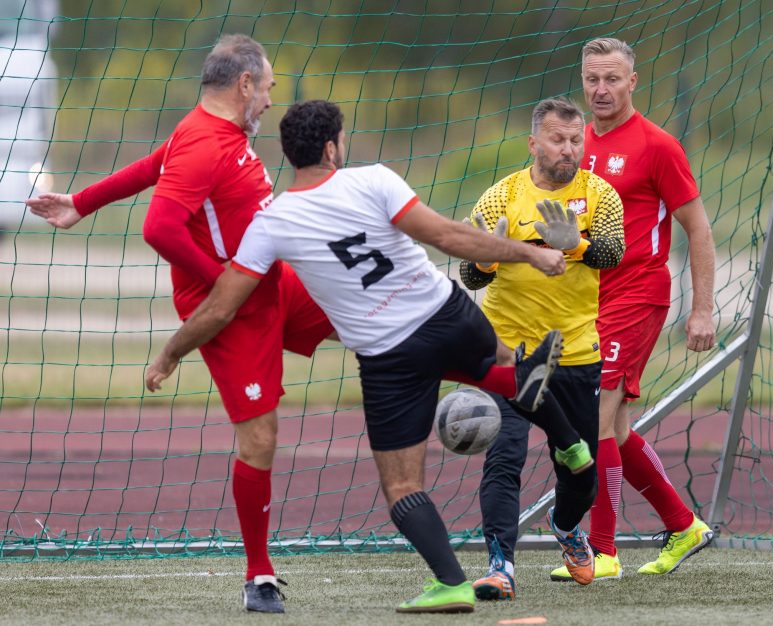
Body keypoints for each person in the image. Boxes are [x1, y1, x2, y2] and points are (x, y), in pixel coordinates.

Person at [144, 99, 591, 614]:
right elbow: (448, 235)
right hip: (448, 313)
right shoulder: (375, 179)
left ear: (289, 154)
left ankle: (450, 583)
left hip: (392, 357)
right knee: (500, 367)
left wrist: (171, 354)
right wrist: (533, 252)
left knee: (402, 487)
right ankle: (567, 442)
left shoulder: (274, 221)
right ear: (333, 147)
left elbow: (221, 306)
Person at [28, 34, 335, 612]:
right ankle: (259, 575)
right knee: (260, 438)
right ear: (244, 84)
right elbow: (159, 228)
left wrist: (82, 202)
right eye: (267, 87)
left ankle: (505, 381)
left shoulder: (210, 131)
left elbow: (152, 164)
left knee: (376, 319)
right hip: (230, 311)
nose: (270, 100)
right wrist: (222, 279)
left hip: (273, 284)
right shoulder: (204, 140)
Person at [549, 37, 717, 582]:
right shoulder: (574, 145)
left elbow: (698, 230)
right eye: (592, 79)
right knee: (613, 429)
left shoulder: (657, 146)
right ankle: (683, 524)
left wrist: (703, 310)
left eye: (612, 79)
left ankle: (601, 552)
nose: (601, 89)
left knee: (592, 418)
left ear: (632, 82)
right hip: (587, 302)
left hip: (639, 294)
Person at [459, 96, 625, 600]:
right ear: (534, 142)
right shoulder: (500, 196)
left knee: (579, 471)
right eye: (558, 139)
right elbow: (469, 274)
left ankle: (566, 524)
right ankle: (499, 566)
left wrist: (574, 244)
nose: (569, 149)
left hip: (573, 353)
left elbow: (614, 253)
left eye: (576, 140)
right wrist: (490, 257)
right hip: (509, 353)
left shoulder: (601, 194)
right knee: (503, 458)